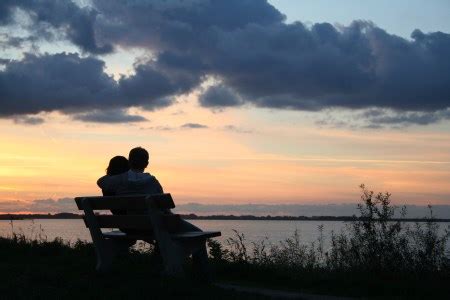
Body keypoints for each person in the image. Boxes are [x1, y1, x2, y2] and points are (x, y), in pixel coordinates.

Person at [97, 147, 209, 274]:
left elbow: (101, 182)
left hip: (130, 226)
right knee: (199, 235)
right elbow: (165, 208)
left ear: (129, 161)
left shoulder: (118, 180)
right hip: (155, 225)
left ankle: (161, 262)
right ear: (147, 164)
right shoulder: (153, 182)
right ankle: (199, 274)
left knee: (166, 234)